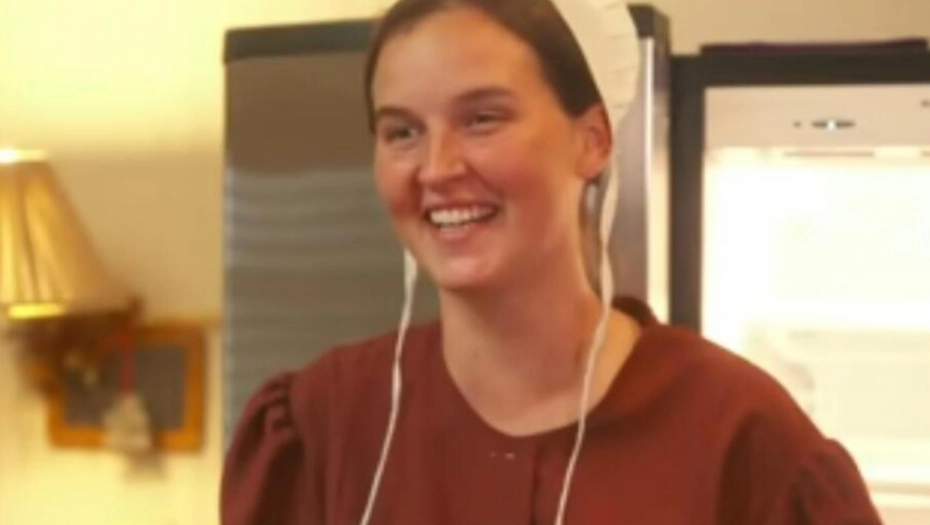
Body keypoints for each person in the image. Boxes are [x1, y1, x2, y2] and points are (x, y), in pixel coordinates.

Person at [221, 0, 884, 524]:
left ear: (592, 141)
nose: (437, 168)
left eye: (482, 119)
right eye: (403, 132)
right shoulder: (324, 424)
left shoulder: (740, 439)